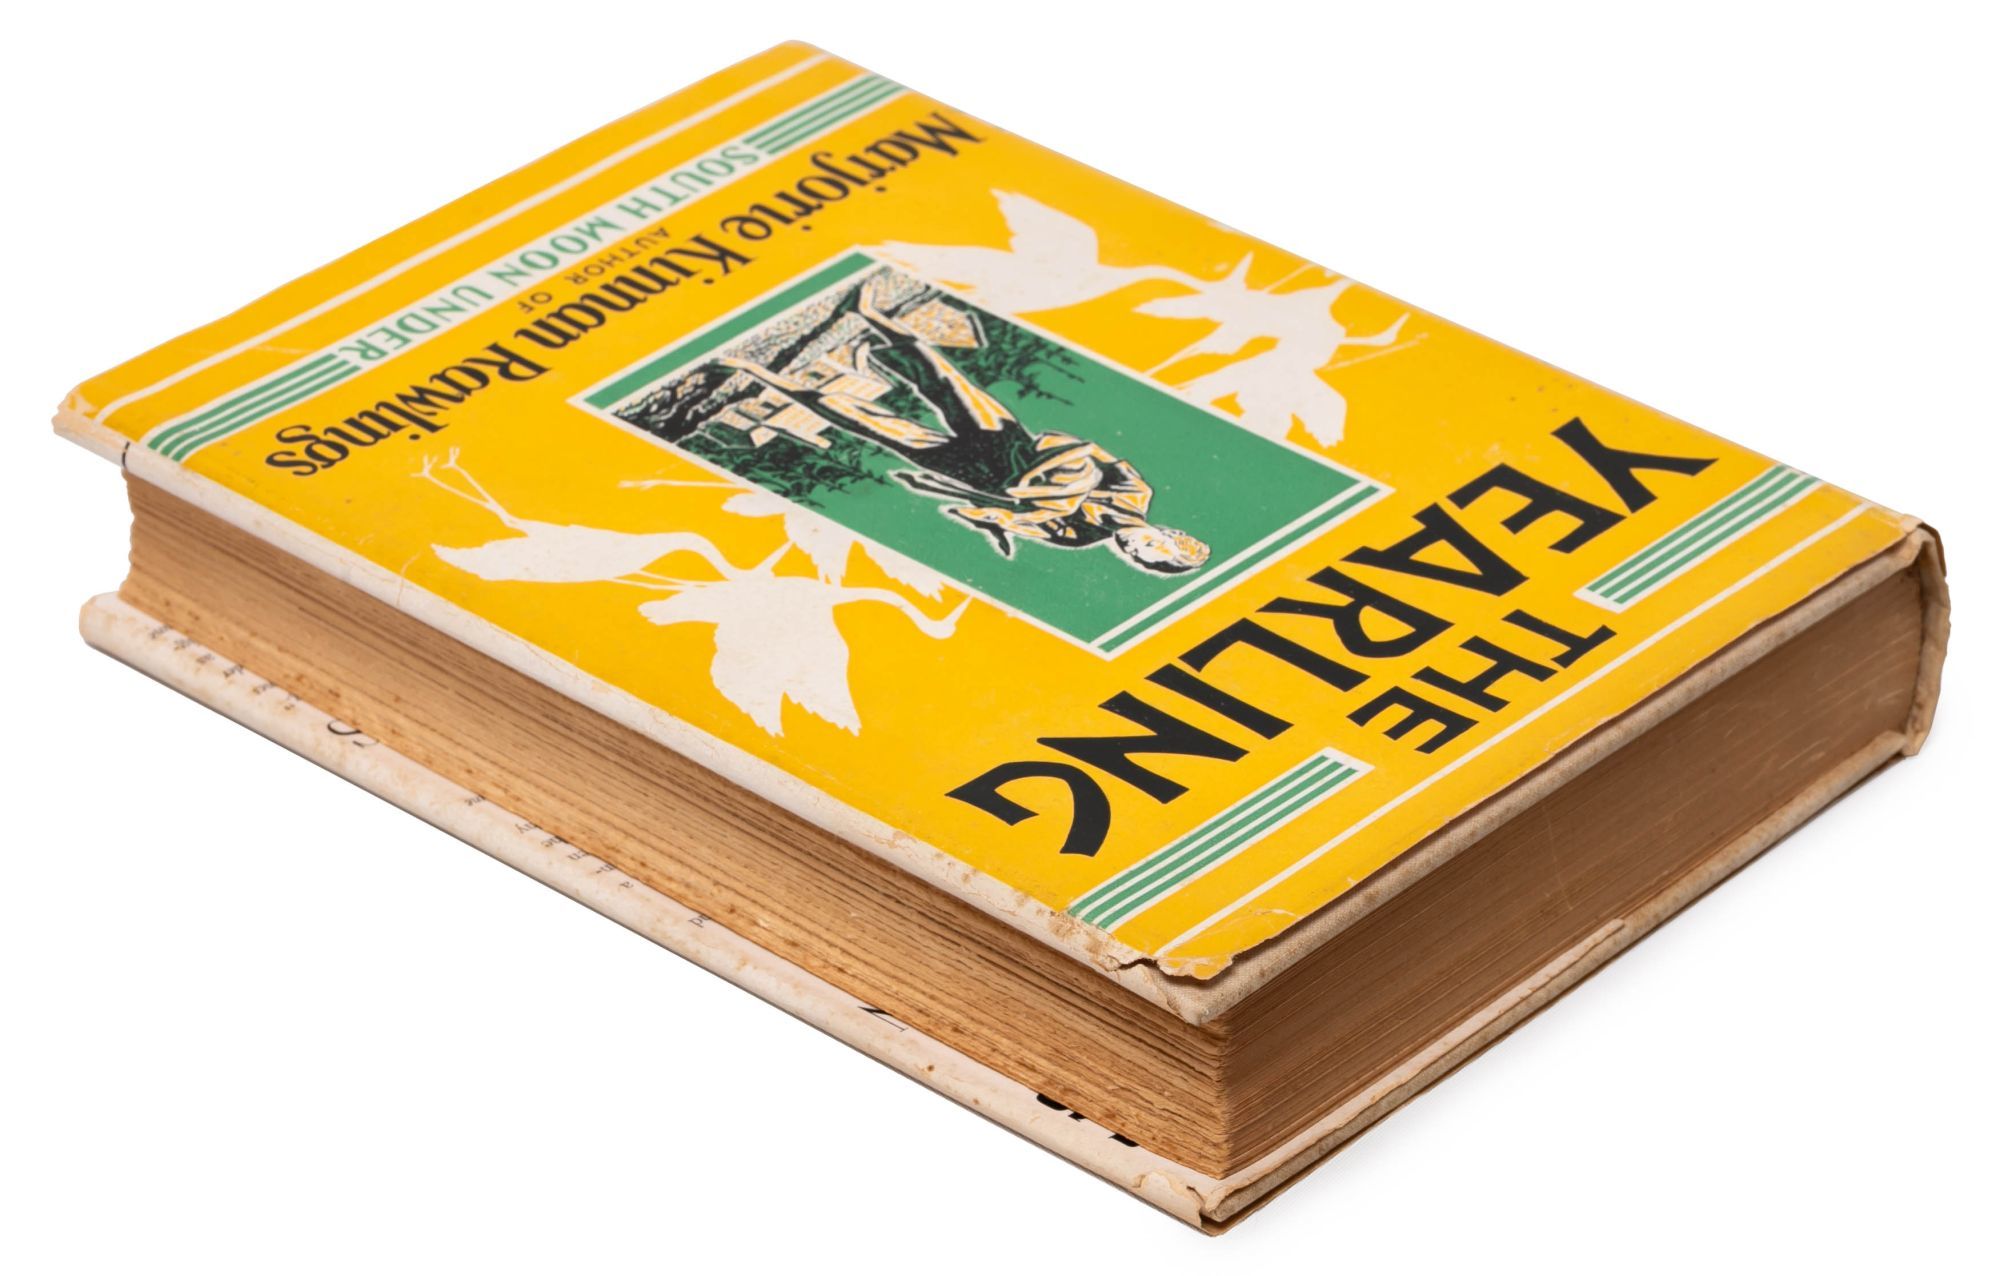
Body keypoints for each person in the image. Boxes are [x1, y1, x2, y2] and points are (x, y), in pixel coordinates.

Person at [717, 275, 1211, 574]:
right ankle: (866, 313)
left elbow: (1013, 519)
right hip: (1013, 446)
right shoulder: (1134, 492)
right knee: (944, 380)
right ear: (1165, 532)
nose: (1135, 547)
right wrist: (1064, 453)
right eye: (1150, 545)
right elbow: (1096, 453)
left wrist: (991, 518)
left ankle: (756, 372)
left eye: (1140, 557)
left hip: (976, 474)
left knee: (870, 423)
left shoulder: (1075, 536)